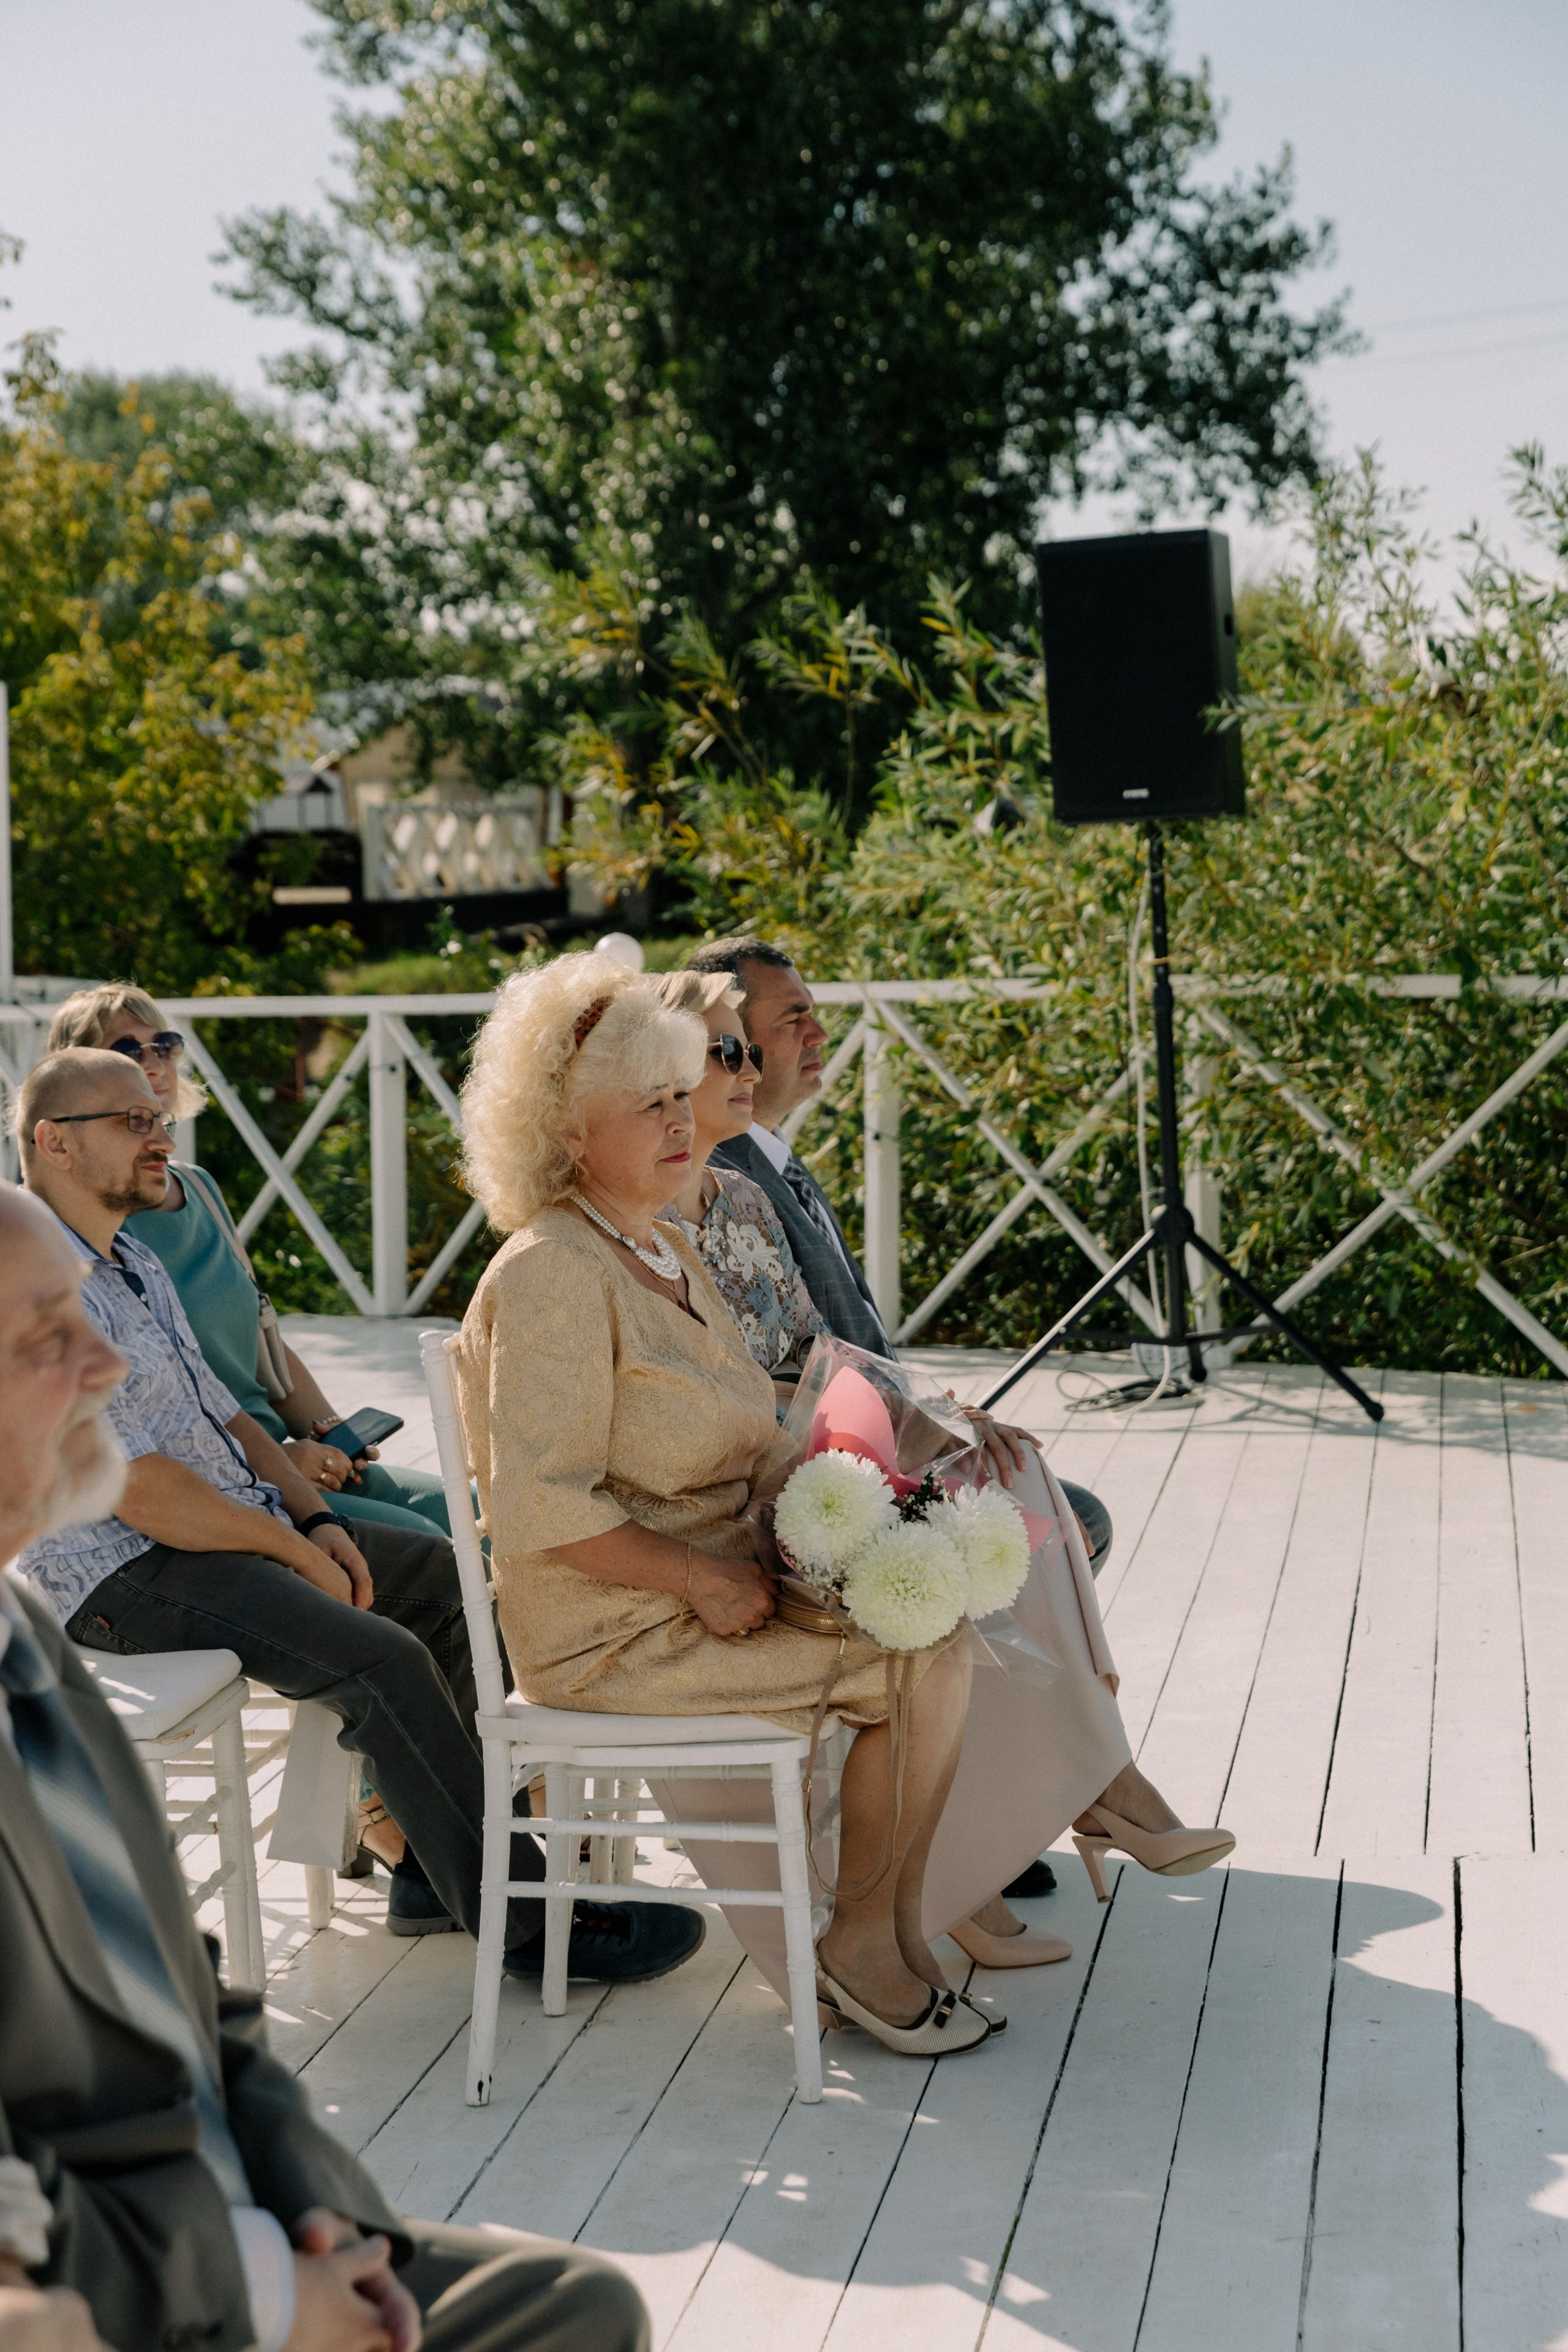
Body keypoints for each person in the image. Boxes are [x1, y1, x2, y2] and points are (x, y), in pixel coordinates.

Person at [453, 952, 1233, 2047]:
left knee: (939, 1621)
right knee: (909, 1659)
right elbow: (537, 1505)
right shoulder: (549, 1272)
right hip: (616, 1632)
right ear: (568, 1130)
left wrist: (865, 1498)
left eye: (686, 1095)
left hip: (712, 1578)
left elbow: (752, 1426)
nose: (683, 1123)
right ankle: (865, 1938)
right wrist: (703, 1576)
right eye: (651, 1105)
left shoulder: (661, 1247)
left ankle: (895, 1926)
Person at [0, 1182, 652, 2352]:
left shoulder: (19, 1645)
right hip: (138, 2286)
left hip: (235, 2215)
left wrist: (328, 2217)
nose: (99, 1363)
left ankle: (434, 1863)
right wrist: (263, 2290)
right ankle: (507, 1910)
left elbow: (203, 1998)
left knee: (579, 2305)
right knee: (380, 1658)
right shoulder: (47, 1623)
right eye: (45, 1336)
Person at [12, 1044, 702, 1986]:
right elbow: (139, 1488)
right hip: (124, 1575)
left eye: (158, 1118)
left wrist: (318, 1522)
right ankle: (534, 1930)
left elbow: (226, 1416)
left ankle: (427, 1870)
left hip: (225, 1528)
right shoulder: (32, 1285)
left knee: (467, 1588)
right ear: (52, 1142)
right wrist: (290, 1551)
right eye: (131, 1121)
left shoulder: (132, 1258)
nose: (159, 1135)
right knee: (384, 1660)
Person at [687, 935, 1114, 1901]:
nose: (812, 1031)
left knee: (1042, 1503)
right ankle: (1037, 1802)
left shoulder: (770, 1168)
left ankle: (1025, 1799)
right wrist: (933, 1427)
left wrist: (938, 1417)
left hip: (860, 1439)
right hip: (806, 1474)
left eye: (810, 1011)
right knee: (1048, 1520)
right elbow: (791, 1371)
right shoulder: (730, 1180)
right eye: (783, 1018)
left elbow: (836, 1346)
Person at [47, 987, 451, 1544]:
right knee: (445, 1552)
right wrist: (285, 1464)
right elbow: (140, 1420)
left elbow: (257, 1338)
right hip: (231, 1483)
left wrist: (328, 1433)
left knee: (482, 1512)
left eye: (165, 1045)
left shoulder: (199, 1189)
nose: (154, 1063)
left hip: (293, 1460)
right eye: (128, 1049)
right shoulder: (93, 1219)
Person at [649, 970, 826, 1392]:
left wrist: (915, 1412)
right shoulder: (626, 1219)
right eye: (728, 1052)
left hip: (807, 1441)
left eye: (752, 1054)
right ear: (661, 1063)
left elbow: (815, 1344)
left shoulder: (747, 1196)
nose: (751, 1073)